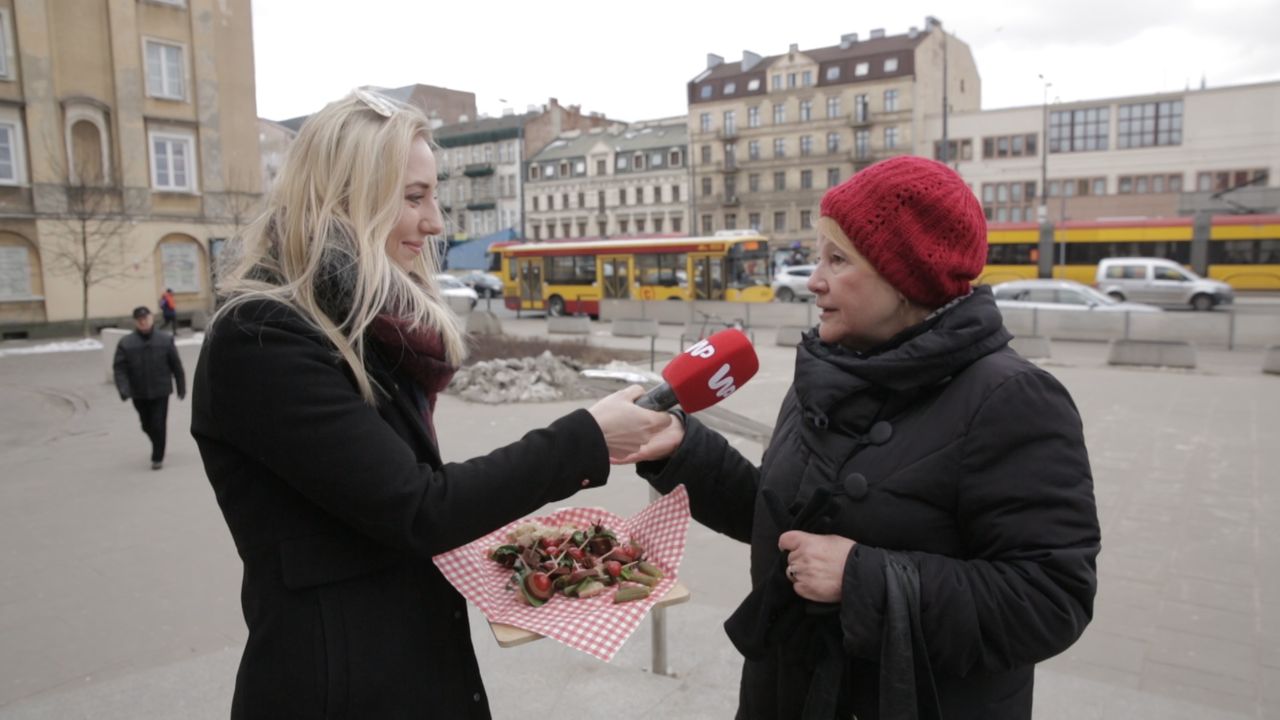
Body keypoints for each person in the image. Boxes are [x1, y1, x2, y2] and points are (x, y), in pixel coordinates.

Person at [189, 90, 666, 719]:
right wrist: (587, 437)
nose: (436, 221)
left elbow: (388, 506)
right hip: (340, 690)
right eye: (414, 198)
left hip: (410, 670)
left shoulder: (360, 326)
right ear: (341, 199)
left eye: (432, 195)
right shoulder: (262, 338)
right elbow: (416, 507)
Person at [622, 156, 1101, 719]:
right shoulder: (829, 368)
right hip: (785, 694)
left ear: (906, 277)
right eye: (814, 256)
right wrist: (684, 451)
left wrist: (862, 578)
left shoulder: (1012, 399)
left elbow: (1050, 598)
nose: (812, 280)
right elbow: (788, 523)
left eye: (837, 259)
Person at [113, 305, 186, 470]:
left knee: (159, 423)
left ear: (152, 319)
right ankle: (158, 441)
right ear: (135, 322)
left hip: (161, 391)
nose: (143, 322)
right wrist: (124, 388)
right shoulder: (126, 343)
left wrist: (181, 385)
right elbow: (120, 369)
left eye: (146, 318)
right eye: (140, 320)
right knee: (146, 424)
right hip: (139, 392)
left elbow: (176, 365)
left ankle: (157, 456)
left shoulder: (165, 340)